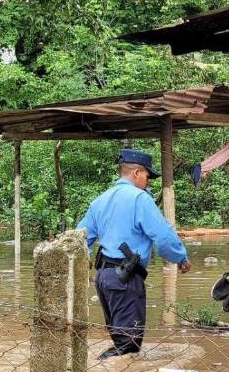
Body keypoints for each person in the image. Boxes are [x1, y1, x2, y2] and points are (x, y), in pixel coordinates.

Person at [78, 148, 192, 360]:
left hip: (103, 278)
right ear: (137, 172)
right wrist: (181, 258)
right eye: (148, 176)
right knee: (129, 344)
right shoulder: (140, 199)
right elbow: (163, 236)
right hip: (125, 277)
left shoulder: (100, 200)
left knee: (120, 338)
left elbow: (81, 238)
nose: (148, 181)